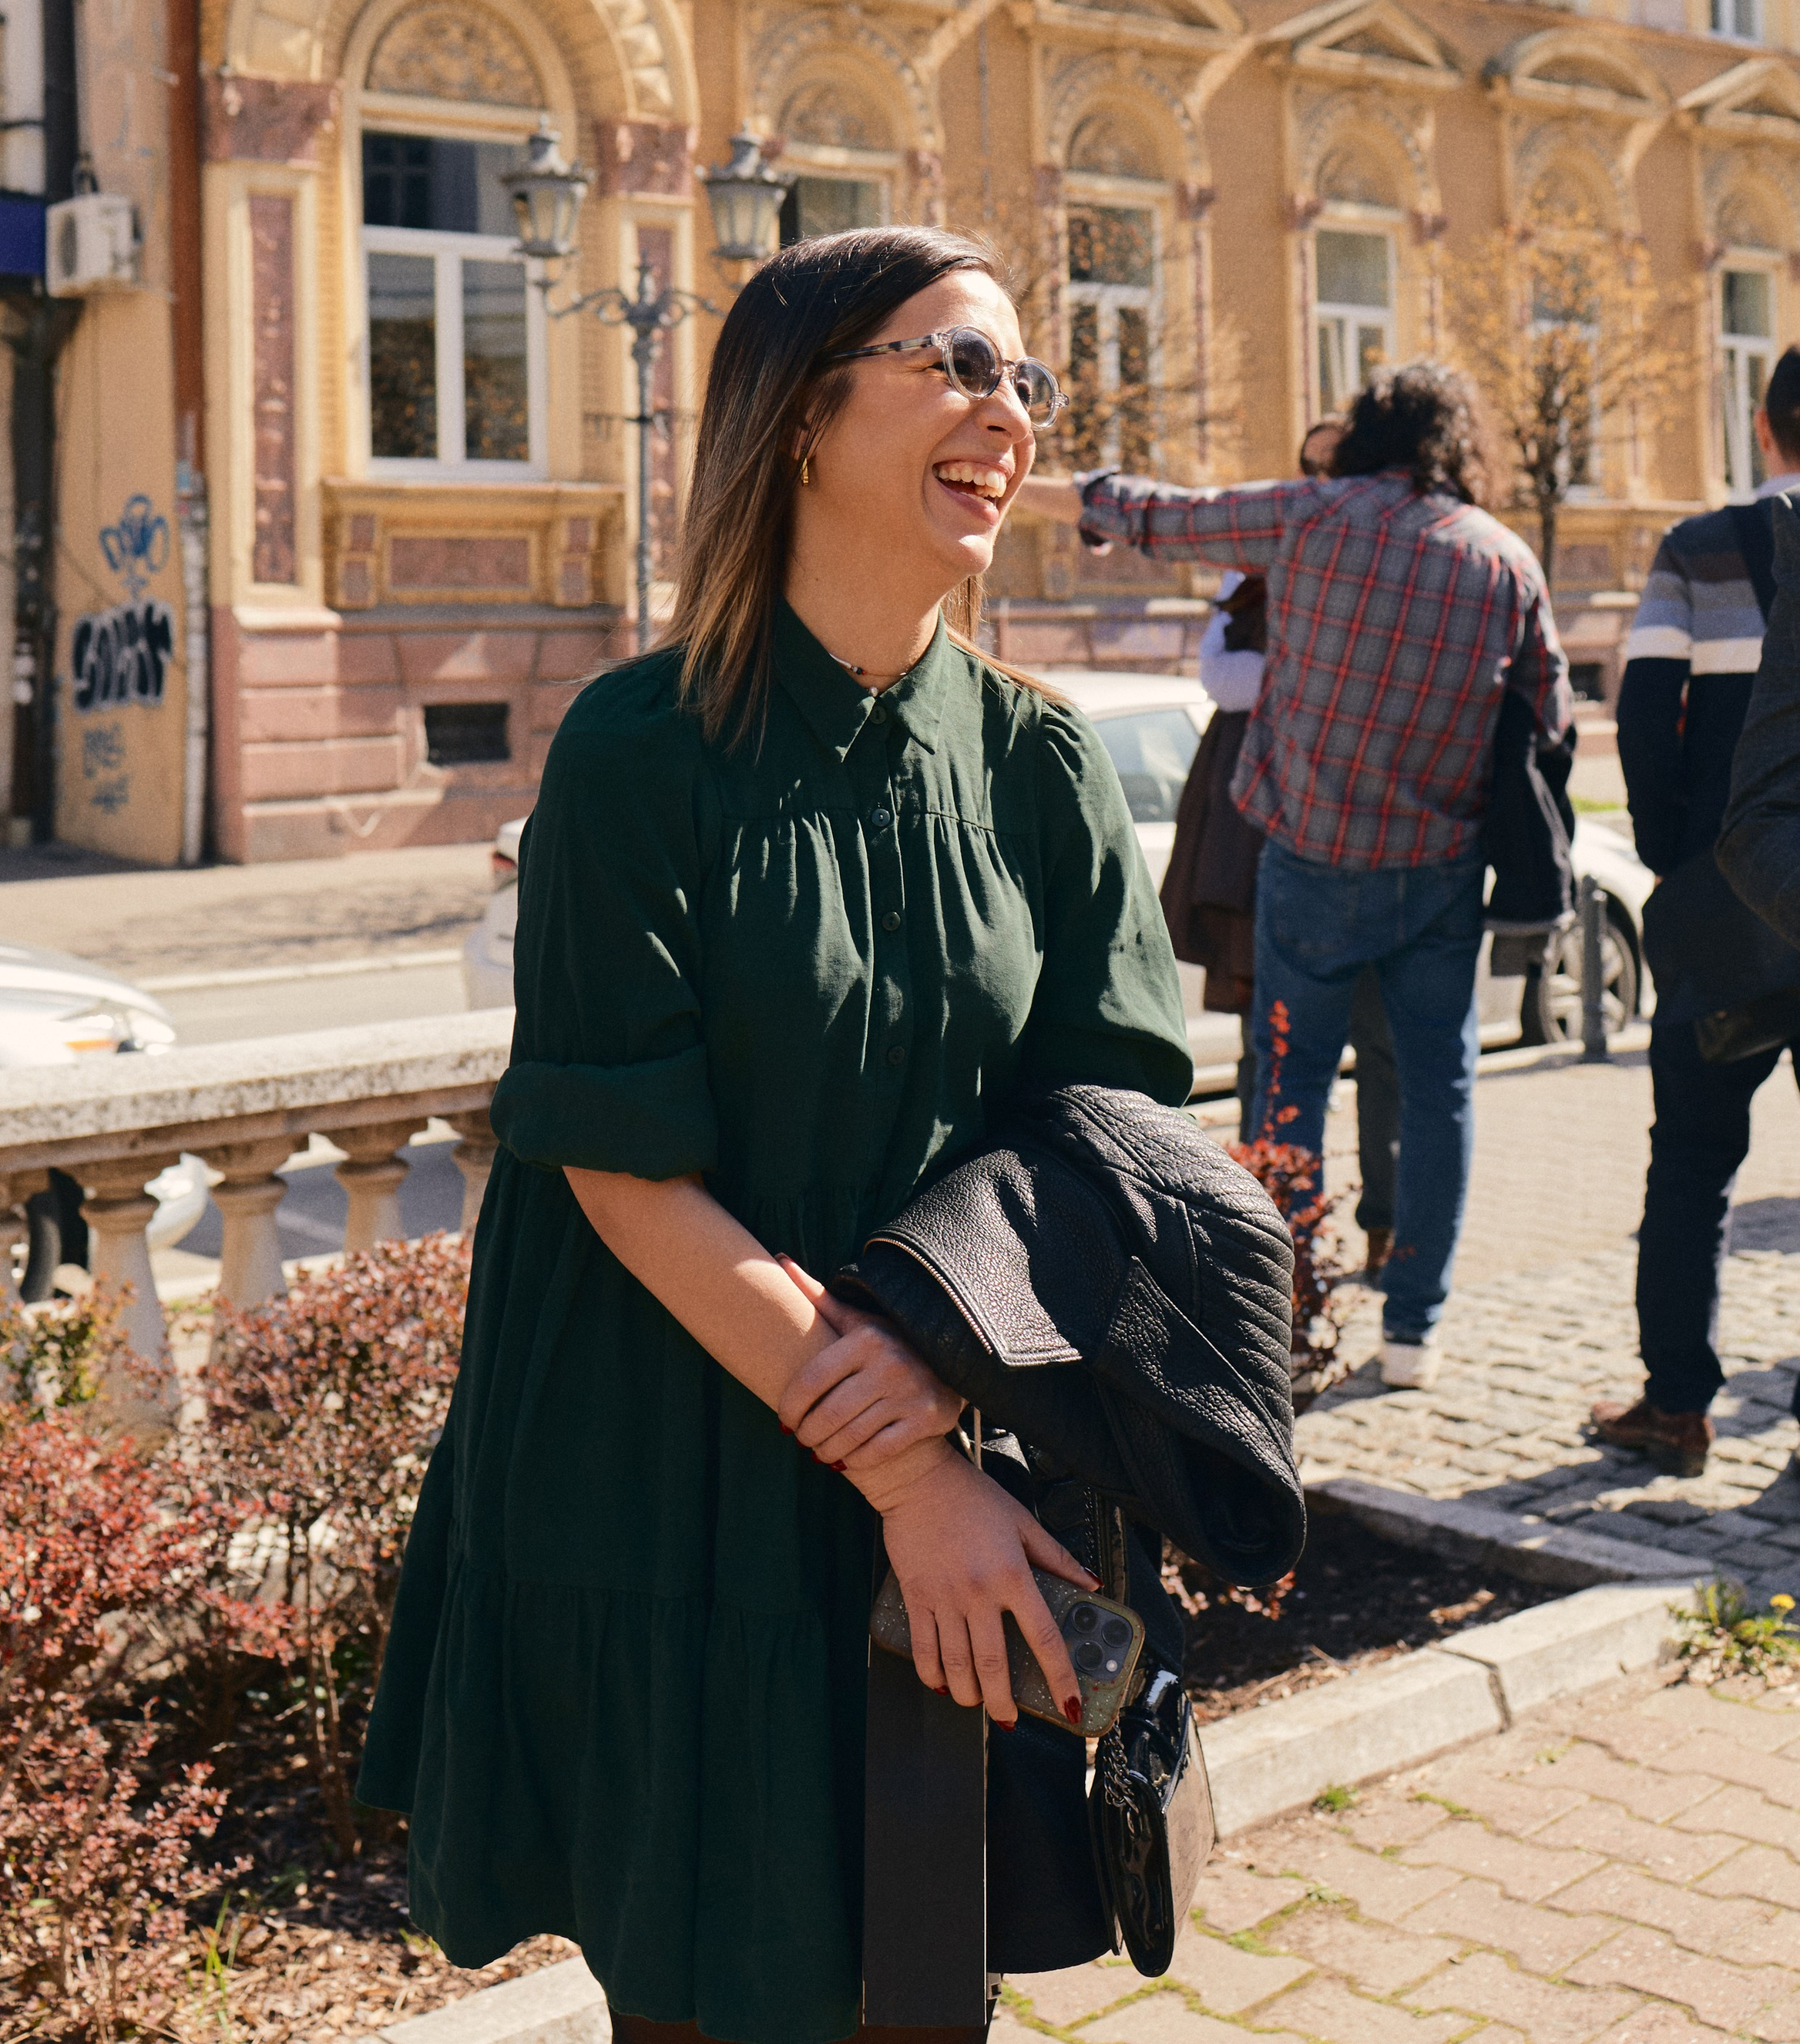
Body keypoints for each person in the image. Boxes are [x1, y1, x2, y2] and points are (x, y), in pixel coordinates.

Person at [359, 226, 1191, 2044]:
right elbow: (618, 1159)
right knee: (706, 1992)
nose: (1007, 413)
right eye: (954, 364)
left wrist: (938, 1380)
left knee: (916, 1978)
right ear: (800, 418)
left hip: (932, 1429)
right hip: (662, 1456)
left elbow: (1109, 1122)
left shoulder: (1036, 765)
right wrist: (904, 1468)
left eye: (1024, 380)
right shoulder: (633, 750)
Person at [1023, 362, 1568, 1390]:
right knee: (1441, 1096)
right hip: (1440, 875)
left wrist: (1015, 482)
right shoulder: (1507, 561)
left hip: (1312, 865)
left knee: (1289, 1090)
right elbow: (1549, 724)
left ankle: (1276, 1311)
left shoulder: (1312, 517)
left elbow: (1159, 515)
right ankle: (1415, 1329)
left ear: (1368, 433)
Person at [1590, 351, 1800, 1478]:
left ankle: (1676, 1407)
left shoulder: (1701, 549)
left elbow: (1644, 712)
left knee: (1694, 1165)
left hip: (1730, 909)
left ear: (1766, 430)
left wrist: (1679, 864)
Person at [1177, 417, 1402, 1276]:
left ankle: (1387, 1230)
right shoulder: (1255, 563)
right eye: (1304, 469)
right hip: (1252, 822)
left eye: (1333, 470)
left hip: (1364, 819)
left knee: (1380, 1049)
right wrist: (1319, 673)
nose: (1317, 486)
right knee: (1265, 1043)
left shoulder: (1389, 564)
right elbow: (1221, 679)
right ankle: (1262, 1240)